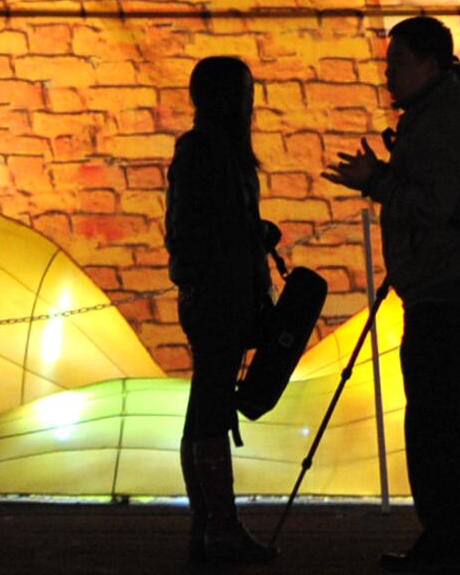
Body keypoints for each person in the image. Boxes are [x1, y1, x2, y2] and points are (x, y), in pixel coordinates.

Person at [331, 15, 460, 572]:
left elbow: (434, 203)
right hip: (450, 289)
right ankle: (459, 543)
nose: (388, 75)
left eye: (397, 63)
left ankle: (449, 544)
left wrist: (375, 182)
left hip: (449, 293)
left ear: (430, 63)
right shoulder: (442, 112)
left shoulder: (444, 119)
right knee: (457, 425)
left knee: (440, 426)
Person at [167, 52, 279, 565]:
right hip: (219, 297)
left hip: (217, 295)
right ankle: (220, 527)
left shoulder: (207, 151)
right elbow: (196, 231)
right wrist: (240, 249)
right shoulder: (211, 153)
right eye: (245, 92)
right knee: (211, 409)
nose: (251, 102)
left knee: (205, 408)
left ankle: (209, 524)